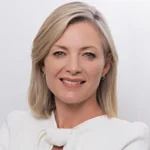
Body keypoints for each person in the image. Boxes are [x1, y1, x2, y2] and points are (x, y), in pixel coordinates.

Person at [0, 1, 149, 150]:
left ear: (106, 66)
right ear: (42, 63)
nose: (73, 68)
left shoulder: (129, 139)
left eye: (88, 54)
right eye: (60, 53)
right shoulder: (15, 128)